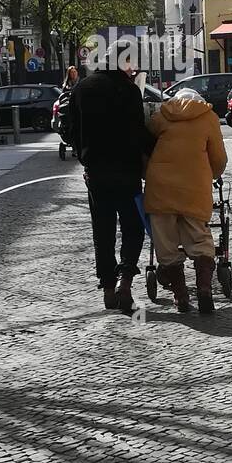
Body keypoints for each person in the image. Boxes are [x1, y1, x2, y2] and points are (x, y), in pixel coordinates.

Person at [71, 55, 153, 311]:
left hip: (96, 171)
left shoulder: (82, 88)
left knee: (102, 231)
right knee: (132, 227)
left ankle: (108, 287)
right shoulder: (129, 90)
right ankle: (125, 280)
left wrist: (82, 153)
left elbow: (71, 128)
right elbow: (139, 131)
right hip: (127, 170)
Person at [144, 87, 227, 314]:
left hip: (160, 187)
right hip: (194, 188)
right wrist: (210, 175)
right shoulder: (208, 117)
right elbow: (218, 158)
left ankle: (180, 297)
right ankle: (204, 289)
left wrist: (147, 172)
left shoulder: (161, 115)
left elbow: (146, 144)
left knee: (166, 244)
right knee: (199, 239)